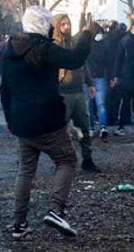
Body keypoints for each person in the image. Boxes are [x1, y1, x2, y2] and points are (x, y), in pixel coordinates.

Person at [0, 6, 94, 239]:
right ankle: (56, 210)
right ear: (45, 25)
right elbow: (74, 59)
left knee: (25, 170)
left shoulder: (10, 49)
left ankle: (19, 225)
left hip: (22, 121)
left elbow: (5, 88)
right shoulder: (44, 48)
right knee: (67, 160)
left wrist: (10, 120)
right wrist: (88, 33)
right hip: (47, 119)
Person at [51, 10, 100, 172]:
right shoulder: (53, 46)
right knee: (59, 130)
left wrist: (90, 83)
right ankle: (60, 163)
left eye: (68, 23)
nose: (66, 26)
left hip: (78, 92)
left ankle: (87, 159)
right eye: (63, 24)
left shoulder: (74, 42)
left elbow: (82, 63)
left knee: (83, 127)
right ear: (57, 26)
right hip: (61, 93)